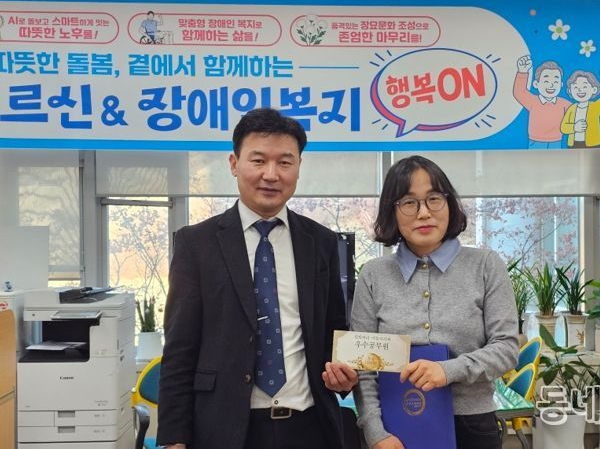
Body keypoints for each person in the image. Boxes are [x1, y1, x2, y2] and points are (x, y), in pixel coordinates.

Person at [157, 108, 359, 449]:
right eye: (258, 160)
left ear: (298, 167)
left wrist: (343, 375)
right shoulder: (197, 244)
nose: (271, 174)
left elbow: (333, 329)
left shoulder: (321, 242)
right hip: (225, 431)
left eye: (285, 162)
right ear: (234, 164)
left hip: (309, 427)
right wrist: (174, 439)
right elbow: (179, 349)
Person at [351, 155, 519, 449]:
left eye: (434, 199)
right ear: (392, 211)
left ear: (449, 203)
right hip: (396, 425)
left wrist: (448, 370)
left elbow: (506, 348)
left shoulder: (485, 265)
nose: (424, 213)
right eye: (409, 202)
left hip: (472, 426)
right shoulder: (373, 275)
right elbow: (363, 366)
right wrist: (375, 433)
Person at [513, 55, 571, 149]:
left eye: (555, 82)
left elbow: (576, 113)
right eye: (546, 81)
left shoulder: (564, 104)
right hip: (535, 141)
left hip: (556, 141)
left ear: (561, 85)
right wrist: (523, 71)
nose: (551, 85)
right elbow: (519, 92)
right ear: (536, 84)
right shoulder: (533, 101)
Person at [561, 67, 600, 148]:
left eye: (585, 87)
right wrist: (574, 127)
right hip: (573, 144)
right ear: (570, 91)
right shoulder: (572, 108)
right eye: (576, 87)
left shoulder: (595, 107)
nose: (580, 90)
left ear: (594, 90)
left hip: (593, 144)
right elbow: (563, 127)